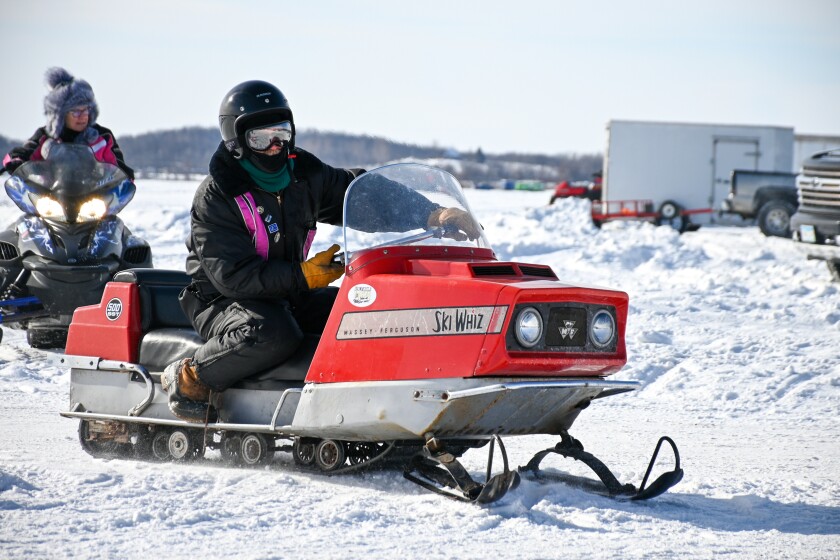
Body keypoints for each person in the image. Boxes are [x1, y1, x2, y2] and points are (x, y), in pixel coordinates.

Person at [161, 80, 481, 422]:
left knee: (361, 313)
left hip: (286, 293)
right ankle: (192, 377)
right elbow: (234, 277)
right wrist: (304, 274)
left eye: (282, 134)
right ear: (236, 141)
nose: (274, 146)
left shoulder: (302, 175)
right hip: (221, 302)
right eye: (261, 137)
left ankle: (371, 403)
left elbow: (362, 196)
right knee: (273, 333)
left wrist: (431, 213)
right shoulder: (219, 195)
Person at [2, 67, 134, 180]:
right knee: (28, 211)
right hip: (50, 198)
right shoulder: (45, 136)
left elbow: (117, 166)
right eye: (76, 111)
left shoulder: (103, 136)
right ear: (60, 115)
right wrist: (16, 162)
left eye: (86, 110)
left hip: (94, 199)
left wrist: (125, 176)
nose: (82, 116)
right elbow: (23, 153)